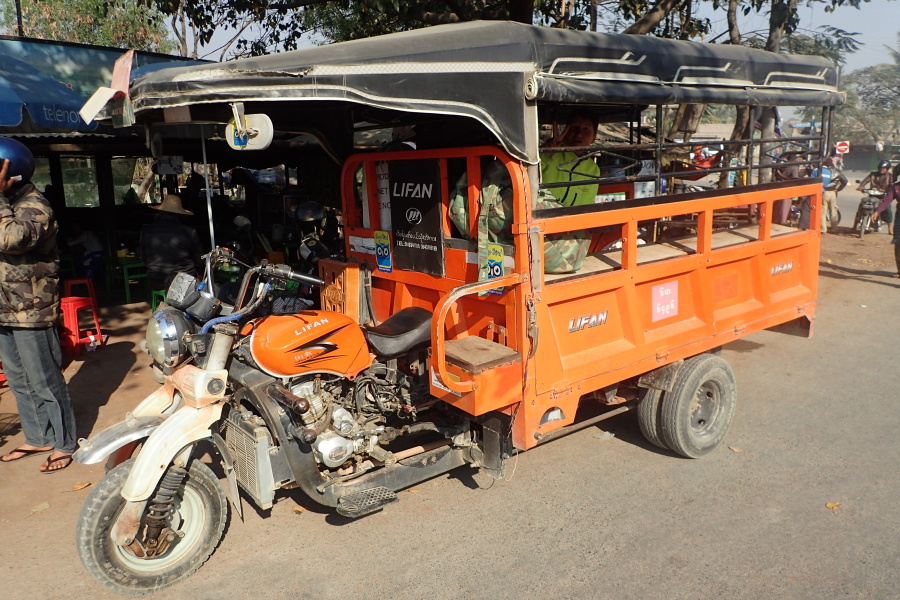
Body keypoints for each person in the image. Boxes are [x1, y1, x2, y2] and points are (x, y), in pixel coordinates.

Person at [0, 137, 77, 473]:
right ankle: (38, 436)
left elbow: (11, 239)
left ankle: (64, 442)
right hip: (4, 307)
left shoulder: (35, 205)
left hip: (31, 308)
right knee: (18, 378)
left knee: (44, 379)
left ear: (10, 172)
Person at [140, 194, 204, 290]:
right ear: (179, 214)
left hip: (156, 279)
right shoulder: (189, 231)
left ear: (161, 212)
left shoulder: (147, 230)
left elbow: (143, 257)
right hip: (184, 278)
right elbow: (199, 259)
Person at [540, 109, 601, 207]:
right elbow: (524, 174)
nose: (579, 134)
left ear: (594, 137)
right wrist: (545, 154)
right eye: (574, 128)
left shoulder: (594, 169)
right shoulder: (550, 153)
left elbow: (587, 206)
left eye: (586, 130)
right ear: (566, 131)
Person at [858, 160, 894, 235]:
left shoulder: (890, 176)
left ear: (887, 169)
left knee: (888, 210)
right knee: (861, 206)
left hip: (883, 196)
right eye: (880, 168)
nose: (882, 169)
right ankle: (854, 225)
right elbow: (865, 181)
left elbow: (892, 185)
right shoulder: (873, 174)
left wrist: (887, 190)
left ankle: (890, 229)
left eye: (884, 168)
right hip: (872, 195)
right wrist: (861, 186)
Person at [816, 155, 848, 233]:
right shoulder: (837, 171)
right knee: (833, 211)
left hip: (824, 192)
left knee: (823, 210)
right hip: (833, 192)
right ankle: (834, 228)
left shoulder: (822, 171)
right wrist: (838, 189)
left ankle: (823, 229)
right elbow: (845, 181)